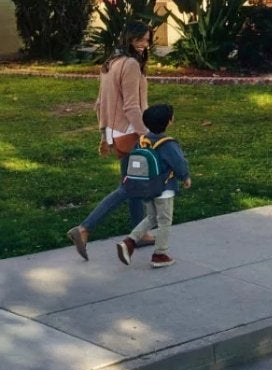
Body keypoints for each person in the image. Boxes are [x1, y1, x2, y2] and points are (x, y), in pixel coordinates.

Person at [67, 22, 155, 261]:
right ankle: (84, 228)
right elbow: (131, 106)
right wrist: (146, 134)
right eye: (140, 39)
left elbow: (100, 104)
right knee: (130, 187)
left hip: (117, 132)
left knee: (133, 184)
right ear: (129, 38)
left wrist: (105, 135)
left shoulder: (110, 62)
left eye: (147, 40)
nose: (144, 44)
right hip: (131, 133)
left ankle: (139, 234)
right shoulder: (131, 64)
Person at [116, 104, 191, 269]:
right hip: (164, 189)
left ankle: (129, 242)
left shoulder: (142, 141)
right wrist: (185, 177)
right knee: (164, 221)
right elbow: (179, 163)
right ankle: (160, 254)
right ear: (169, 121)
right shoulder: (168, 144)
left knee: (151, 217)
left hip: (147, 187)